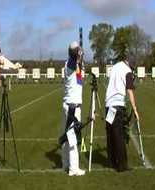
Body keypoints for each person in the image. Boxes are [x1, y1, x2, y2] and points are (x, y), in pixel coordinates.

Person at [104, 53, 139, 172]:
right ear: (129, 63)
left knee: (110, 134)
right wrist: (134, 108)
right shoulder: (127, 71)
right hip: (118, 105)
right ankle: (122, 165)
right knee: (119, 136)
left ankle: (111, 161)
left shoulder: (115, 66)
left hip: (108, 105)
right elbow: (129, 90)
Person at [61, 41, 86, 176]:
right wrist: (79, 53)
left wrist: (80, 59)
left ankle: (65, 163)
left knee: (66, 136)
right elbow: (75, 59)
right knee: (72, 138)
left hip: (70, 105)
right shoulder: (70, 63)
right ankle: (73, 169)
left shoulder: (74, 65)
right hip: (72, 107)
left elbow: (80, 78)